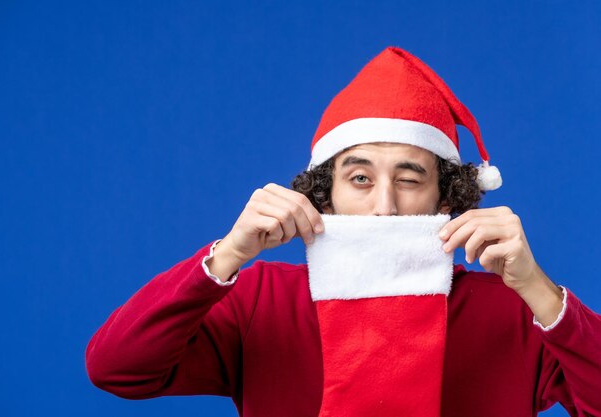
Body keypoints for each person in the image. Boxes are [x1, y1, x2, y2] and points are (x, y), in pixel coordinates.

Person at [85, 47, 601, 416]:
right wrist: (225, 256)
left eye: (409, 178)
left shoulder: (512, 310)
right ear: (324, 194)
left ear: (446, 198)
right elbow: (117, 368)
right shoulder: (260, 300)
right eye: (359, 179)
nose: (384, 207)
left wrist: (538, 288)